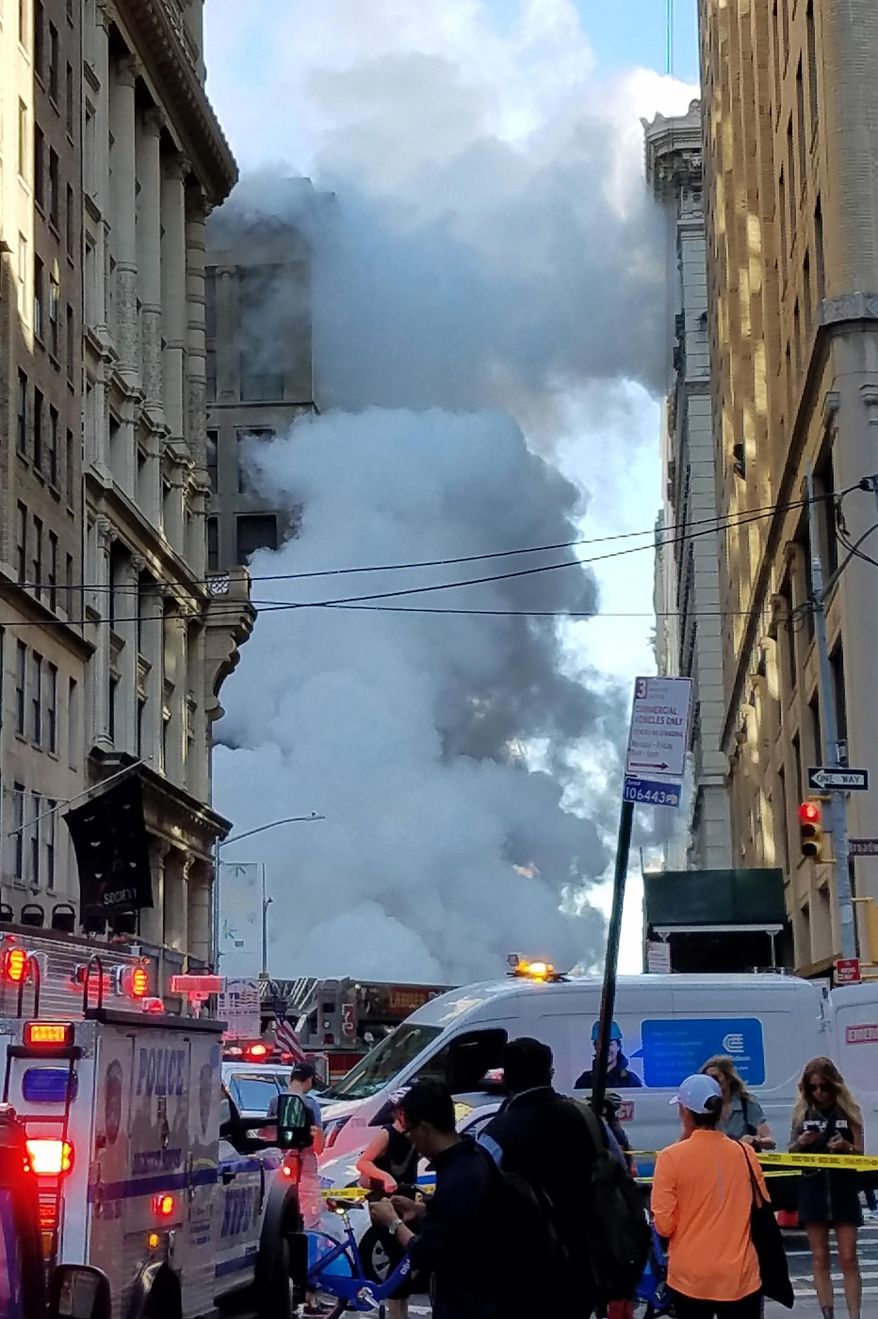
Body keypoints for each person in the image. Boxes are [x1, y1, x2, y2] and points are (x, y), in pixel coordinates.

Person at [478, 1037, 600, 1305]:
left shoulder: (497, 1133)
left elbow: (477, 1198)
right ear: (550, 1073)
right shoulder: (586, 1118)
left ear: (506, 1077)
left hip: (519, 1270)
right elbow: (614, 1172)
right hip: (583, 1264)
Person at [369, 1080, 504, 1319]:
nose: (410, 1139)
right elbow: (461, 1219)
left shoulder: (458, 1176)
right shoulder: (474, 1155)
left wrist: (393, 1222)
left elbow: (425, 1251)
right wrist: (422, 1209)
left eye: (409, 1130)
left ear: (424, 1128)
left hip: (468, 1303)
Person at [652, 1073, 769, 1319]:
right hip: (741, 1275)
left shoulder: (670, 1158)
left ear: (684, 1111)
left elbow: (664, 1225)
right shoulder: (745, 1153)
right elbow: (760, 1206)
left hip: (690, 1276)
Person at [790, 1056, 864, 1319]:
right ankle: (828, 1313)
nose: (819, 1092)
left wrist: (846, 1148)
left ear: (834, 1086)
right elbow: (791, 1153)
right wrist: (802, 1141)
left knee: (848, 1257)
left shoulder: (849, 1110)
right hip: (814, 1187)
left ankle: (854, 1315)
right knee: (819, 1257)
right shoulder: (802, 1112)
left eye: (824, 1087)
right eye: (813, 1087)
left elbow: (860, 1152)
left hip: (843, 1188)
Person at [267, 1062, 325, 1316]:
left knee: (283, 1232)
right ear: (309, 1079)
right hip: (307, 1171)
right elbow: (319, 1146)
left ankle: (286, 1290)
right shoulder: (311, 1105)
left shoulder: (275, 1101)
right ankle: (311, 1295)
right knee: (311, 1233)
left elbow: (266, 1135)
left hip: (282, 1169)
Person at [356, 1089, 419, 1319]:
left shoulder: (414, 1134)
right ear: (398, 1111)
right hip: (384, 1202)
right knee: (395, 1258)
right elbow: (363, 1163)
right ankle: (395, 1314)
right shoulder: (387, 1134)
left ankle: (401, 1311)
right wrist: (386, 1178)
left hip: (407, 1200)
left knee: (406, 1260)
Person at [700, 1055, 776, 1150]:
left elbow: (769, 1141)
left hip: (742, 1160)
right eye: (707, 1079)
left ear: (728, 1079)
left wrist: (754, 1140)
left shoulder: (746, 1104)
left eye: (715, 1078)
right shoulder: (703, 1107)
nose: (712, 1082)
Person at [575, 1020, 642, 1089]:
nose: (605, 1049)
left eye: (609, 1044)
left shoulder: (629, 1080)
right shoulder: (585, 1080)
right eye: (600, 1045)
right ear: (595, 1047)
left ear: (618, 1046)